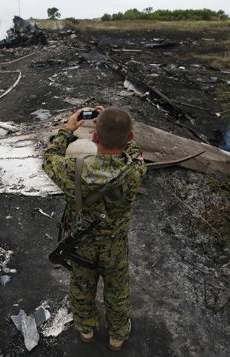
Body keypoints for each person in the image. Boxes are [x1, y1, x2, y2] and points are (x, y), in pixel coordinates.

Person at [42, 106, 147, 351]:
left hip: (81, 244)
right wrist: (118, 127)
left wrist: (68, 129)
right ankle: (117, 336)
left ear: (95, 137)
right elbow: (134, 151)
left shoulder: (73, 169)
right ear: (130, 137)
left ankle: (86, 329)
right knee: (117, 291)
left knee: (81, 287)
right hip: (115, 244)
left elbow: (49, 158)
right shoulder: (136, 170)